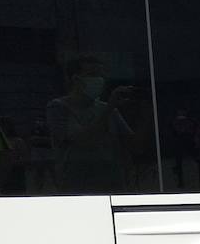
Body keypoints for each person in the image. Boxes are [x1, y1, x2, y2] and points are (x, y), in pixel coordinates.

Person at [46, 56, 136, 193]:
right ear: (75, 79)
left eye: (101, 75)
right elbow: (82, 139)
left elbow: (132, 144)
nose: (99, 79)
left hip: (112, 184)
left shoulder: (107, 108)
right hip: (77, 186)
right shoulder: (59, 107)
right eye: (93, 75)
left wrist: (147, 111)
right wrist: (109, 109)